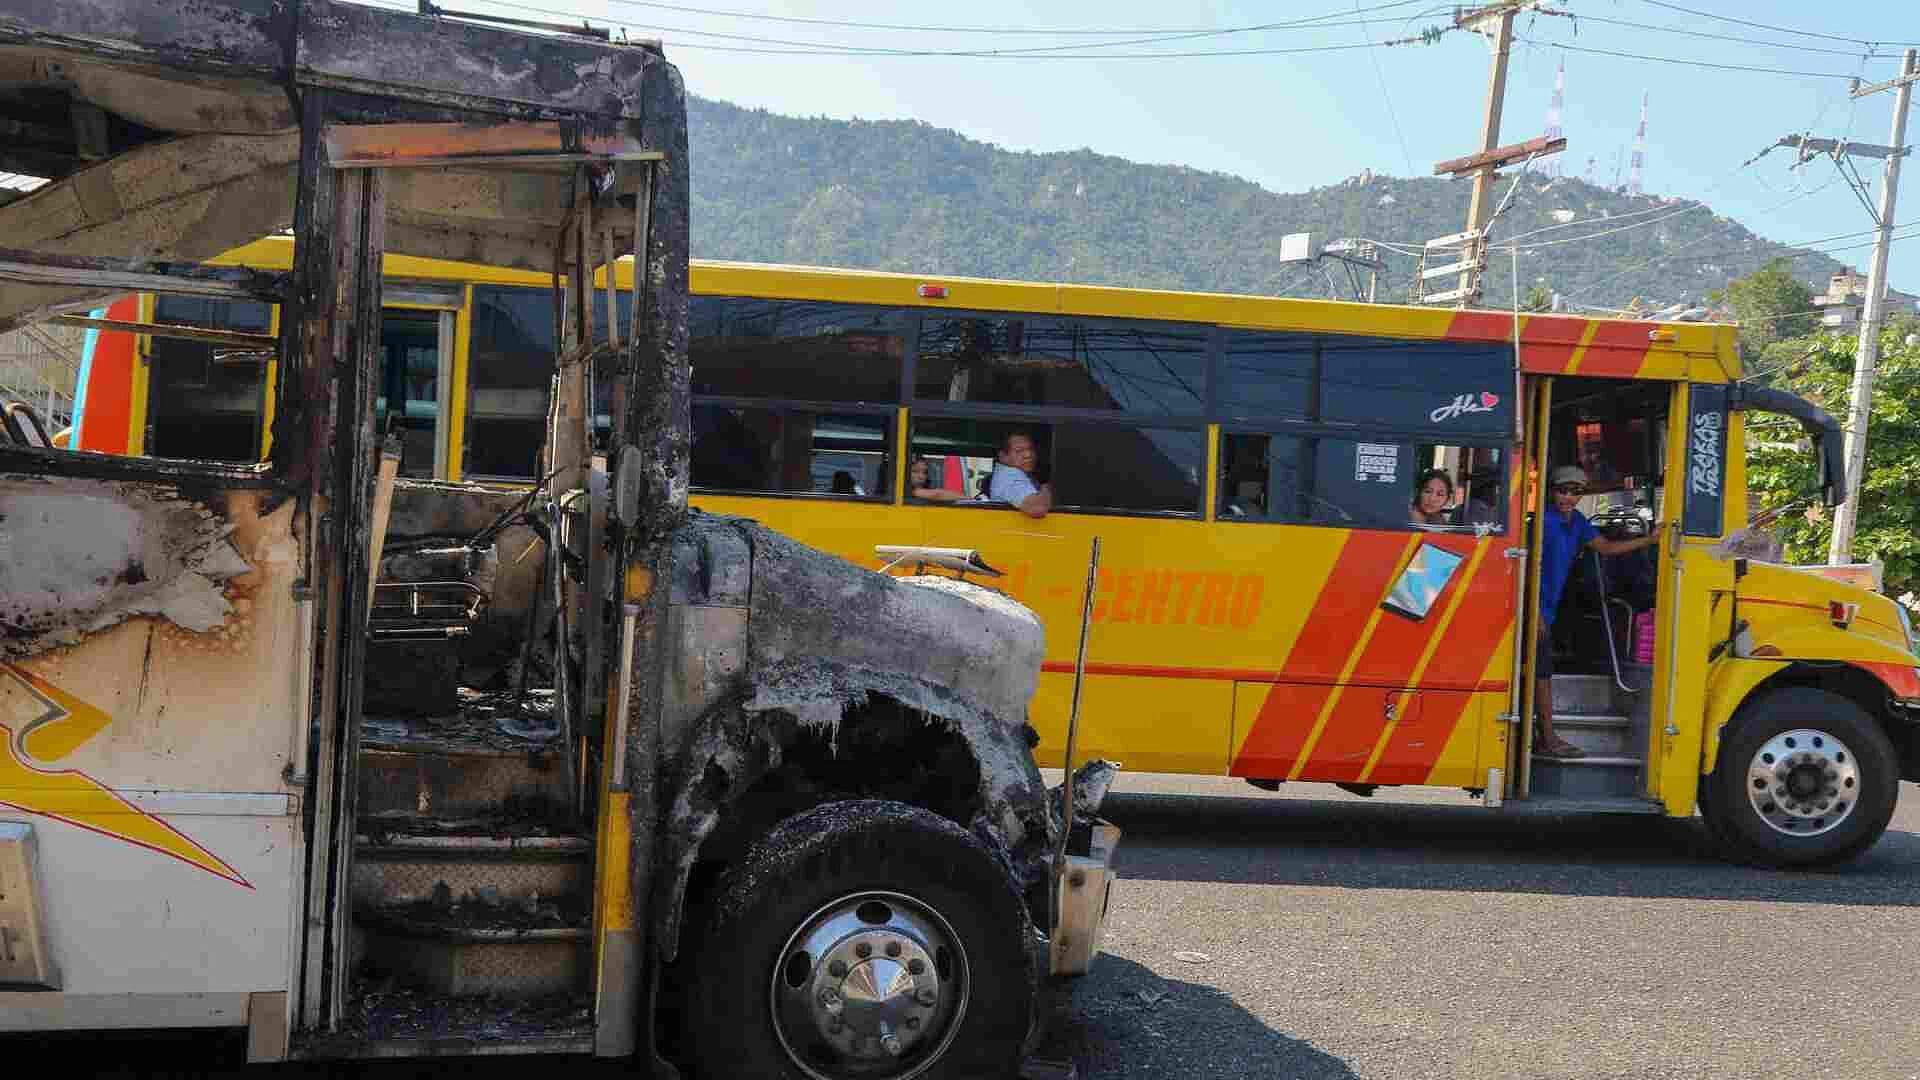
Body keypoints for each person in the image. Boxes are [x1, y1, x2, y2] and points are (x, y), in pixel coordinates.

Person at [1533, 465, 1659, 758]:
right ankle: (1548, 739)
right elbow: (1528, 567)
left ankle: (1546, 737)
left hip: (1548, 609)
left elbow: (1604, 547)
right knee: (1541, 672)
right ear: (1552, 491)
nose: (1568, 497)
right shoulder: (1544, 522)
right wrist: (1535, 611)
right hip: (1535, 609)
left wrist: (1649, 541)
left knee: (1542, 671)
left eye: (1575, 492)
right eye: (1562, 491)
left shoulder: (1576, 522)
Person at [986, 431, 1052, 519]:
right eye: (1019, 451)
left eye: (1031, 449)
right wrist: (1048, 487)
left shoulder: (1019, 472)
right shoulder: (1009, 476)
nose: (1028, 455)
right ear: (1003, 456)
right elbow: (1037, 508)